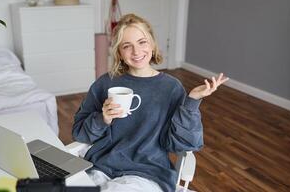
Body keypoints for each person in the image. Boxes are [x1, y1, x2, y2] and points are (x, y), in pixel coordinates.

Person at [72, 13, 229, 192]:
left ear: (153, 45)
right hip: (101, 167)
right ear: (119, 53)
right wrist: (103, 119)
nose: (136, 52)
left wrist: (192, 101)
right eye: (127, 46)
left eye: (142, 42)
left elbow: (184, 145)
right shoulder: (105, 83)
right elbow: (79, 133)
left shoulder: (171, 87)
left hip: (145, 172)